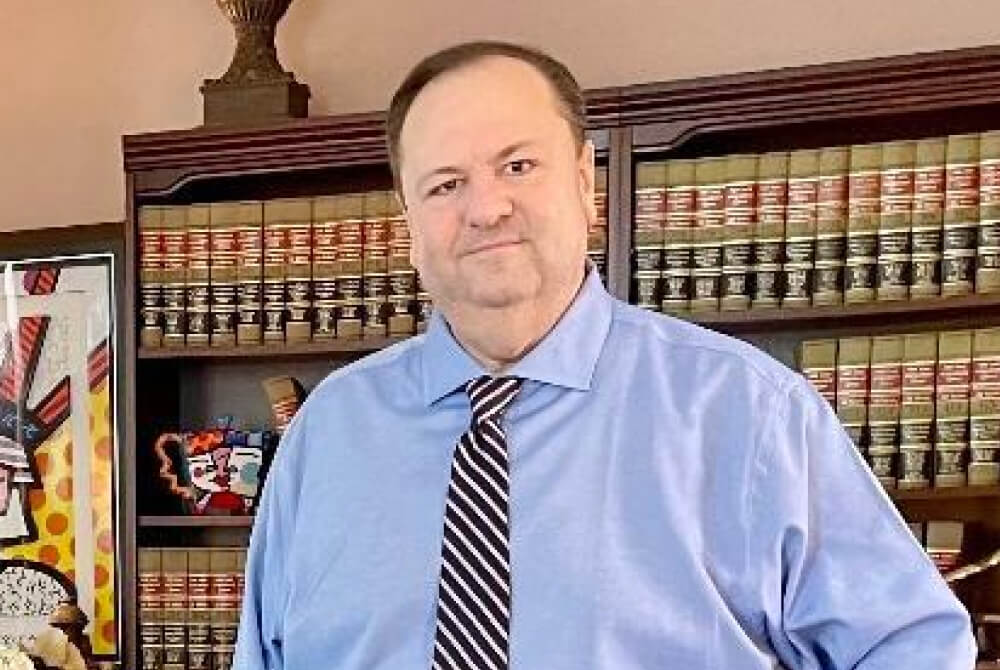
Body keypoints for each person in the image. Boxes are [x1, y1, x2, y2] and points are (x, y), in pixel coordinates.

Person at [234, 41, 976, 669]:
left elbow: (914, 648)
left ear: (585, 181)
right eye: (445, 183)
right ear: (408, 219)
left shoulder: (746, 412)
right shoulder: (328, 434)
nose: (486, 208)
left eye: (518, 166)